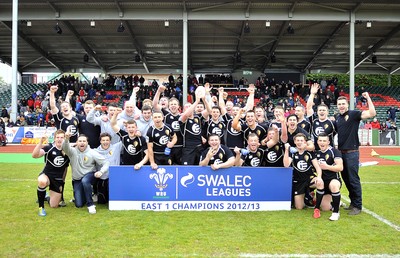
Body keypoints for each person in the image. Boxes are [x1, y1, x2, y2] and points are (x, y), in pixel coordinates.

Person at [335, 92, 376, 215]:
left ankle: (357, 205)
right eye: (339, 104)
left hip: (352, 153)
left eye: (343, 104)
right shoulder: (338, 117)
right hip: (341, 153)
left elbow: (372, 113)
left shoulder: (353, 114)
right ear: (337, 106)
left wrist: (368, 97)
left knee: (353, 179)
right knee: (346, 179)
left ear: (347, 104)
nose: (341, 106)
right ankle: (353, 203)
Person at [62, 132, 109, 214]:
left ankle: (90, 204)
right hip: (77, 179)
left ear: (87, 143)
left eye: (84, 141)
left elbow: (106, 162)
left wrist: (101, 171)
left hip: (90, 176)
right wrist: (66, 139)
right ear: (77, 142)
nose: (82, 143)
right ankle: (83, 195)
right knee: (79, 204)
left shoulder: (92, 152)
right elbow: (65, 148)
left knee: (85, 180)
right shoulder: (72, 151)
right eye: (80, 141)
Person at [32, 129, 70, 216]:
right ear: (54, 139)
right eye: (57, 137)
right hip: (47, 175)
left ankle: (46, 196)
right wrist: (41, 142)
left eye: (62, 137)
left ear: (65, 138)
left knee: (54, 205)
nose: (59, 139)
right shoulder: (49, 148)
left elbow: (66, 168)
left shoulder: (68, 150)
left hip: (58, 179)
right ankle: (41, 208)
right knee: (42, 182)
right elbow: (34, 155)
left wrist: (62, 182)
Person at [283, 133, 322, 210]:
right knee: (299, 207)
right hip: (299, 181)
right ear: (294, 142)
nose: (299, 142)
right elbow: (286, 165)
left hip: (310, 179)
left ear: (305, 142)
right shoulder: (293, 152)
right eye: (297, 140)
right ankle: (308, 197)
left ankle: (317, 206)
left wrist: (319, 177)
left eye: (301, 140)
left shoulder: (310, 153)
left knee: (320, 183)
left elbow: (317, 167)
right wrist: (287, 150)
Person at [313, 133, 343, 221]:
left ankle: (336, 213)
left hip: (333, 180)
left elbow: (340, 167)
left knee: (334, 185)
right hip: (322, 182)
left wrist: (327, 167)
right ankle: (335, 202)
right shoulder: (316, 153)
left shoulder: (334, 151)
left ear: (328, 142)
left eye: (324, 141)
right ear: (317, 142)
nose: (322, 143)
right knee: (325, 208)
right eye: (320, 140)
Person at [94, 133, 122, 204]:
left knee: (112, 202)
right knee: (102, 202)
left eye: (107, 140)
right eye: (103, 140)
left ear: (110, 141)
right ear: (100, 141)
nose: (105, 142)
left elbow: (126, 138)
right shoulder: (95, 151)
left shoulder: (116, 147)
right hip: (102, 178)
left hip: (114, 178)